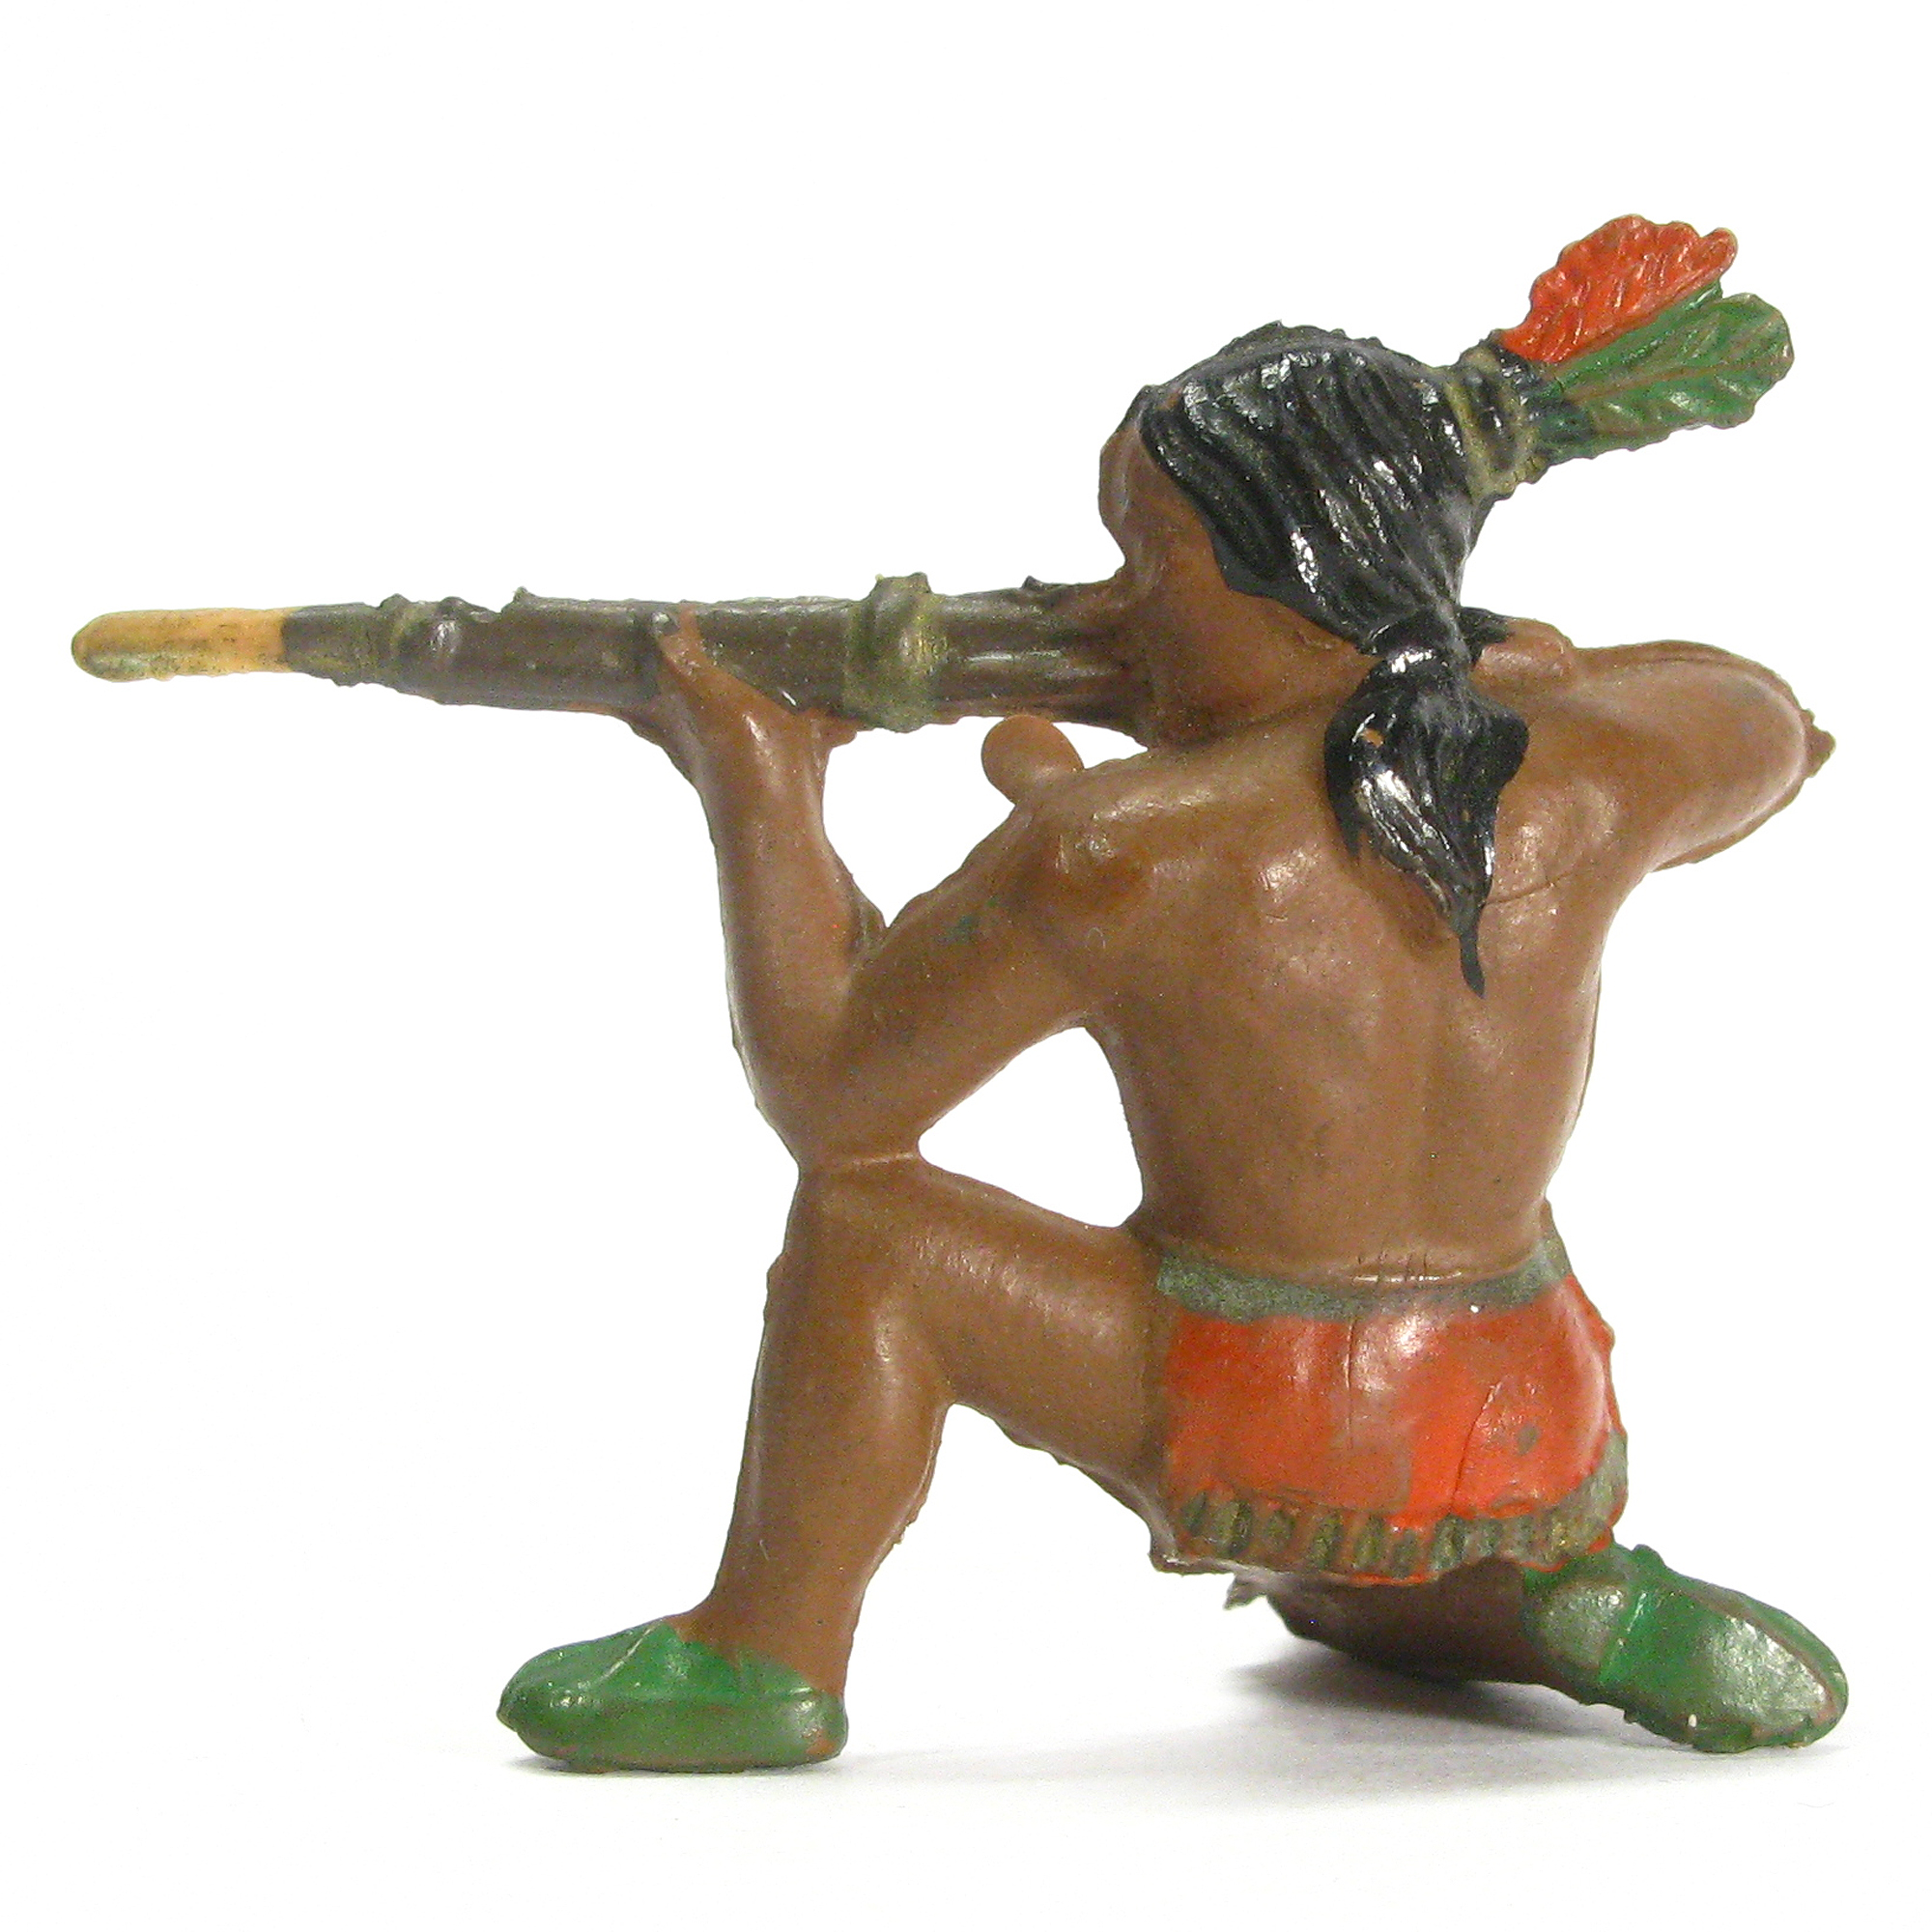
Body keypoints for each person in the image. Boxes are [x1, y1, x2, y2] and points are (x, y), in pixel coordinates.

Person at [497, 220, 1847, 1771]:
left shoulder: (1117, 851)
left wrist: (758, 781)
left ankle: (762, 1651)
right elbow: (1769, 724)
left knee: (870, 1237)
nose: (1110, 606)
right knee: (1330, 1583)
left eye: (1147, 565)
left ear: (1297, 576)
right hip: (1515, 1414)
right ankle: (1546, 1592)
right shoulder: (1589, 772)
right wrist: (1470, 671)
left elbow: (830, 1097)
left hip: (1251, 1406)